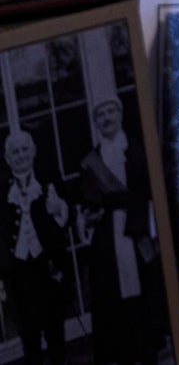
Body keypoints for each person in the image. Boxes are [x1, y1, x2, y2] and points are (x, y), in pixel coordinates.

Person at [69, 97, 161, 364]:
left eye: (111, 111)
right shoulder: (91, 161)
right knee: (113, 300)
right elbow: (86, 202)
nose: (106, 118)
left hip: (140, 230)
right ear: (95, 122)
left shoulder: (139, 149)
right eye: (100, 115)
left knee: (145, 292)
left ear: (120, 114)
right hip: (108, 237)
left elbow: (152, 191)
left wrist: (152, 229)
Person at [0, 127, 71, 365]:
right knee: (29, 338)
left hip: (48, 268)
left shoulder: (49, 177)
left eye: (24, 149)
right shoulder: (1, 190)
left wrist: (58, 208)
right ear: (7, 158)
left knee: (55, 334)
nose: (20, 155)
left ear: (33, 151)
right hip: (18, 274)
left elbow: (67, 219)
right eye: (15, 152)